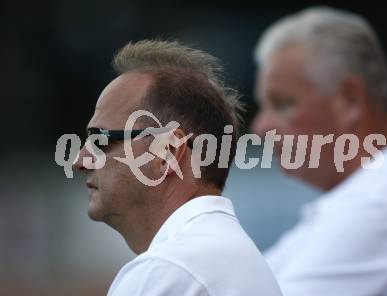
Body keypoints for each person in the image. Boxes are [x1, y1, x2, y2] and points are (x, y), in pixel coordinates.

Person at [252, 6, 387, 295]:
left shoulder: (381, 208)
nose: (261, 127)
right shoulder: (379, 200)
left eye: (283, 104)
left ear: (350, 100)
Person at [73, 40, 282, 296]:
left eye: (100, 139)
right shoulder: (215, 256)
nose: (80, 160)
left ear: (167, 152)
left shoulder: (169, 270)